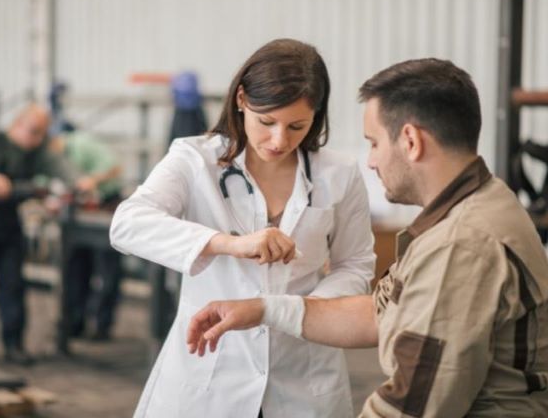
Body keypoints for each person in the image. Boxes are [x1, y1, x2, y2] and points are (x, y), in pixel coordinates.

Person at [187, 58, 548, 417]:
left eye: (373, 143)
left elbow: (413, 404)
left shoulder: (461, 244)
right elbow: (382, 314)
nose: (370, 161)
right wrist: (262, 309)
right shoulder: (479, 201)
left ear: (411, 141)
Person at [110, 38, 376, 417]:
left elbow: (356, 265)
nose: (279, 140)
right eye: (266, 122)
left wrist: (298, 311)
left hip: (304, 370)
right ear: (240, 99)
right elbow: (127, 224)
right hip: (211, 373)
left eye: (297, 126)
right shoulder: (195, 159)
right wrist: (225, 244)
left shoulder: (339, 173)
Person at [0, 104, 76, 365]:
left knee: (13, 286)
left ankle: (13, 345)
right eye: (33, 132)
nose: (37, 139)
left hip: (8, 227)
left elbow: (62, 169)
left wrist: (76, 183)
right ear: (17, 125)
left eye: (42, 133)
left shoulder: (38, 152)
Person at [50, 126, 123, 340]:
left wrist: (93, 180)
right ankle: (74, 323)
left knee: (107, 272)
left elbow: (115, 167)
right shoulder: (51, 159)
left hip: (106, 206)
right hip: (78, 211)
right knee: (75, 270)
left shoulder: (82, 144)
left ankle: (102, 325)